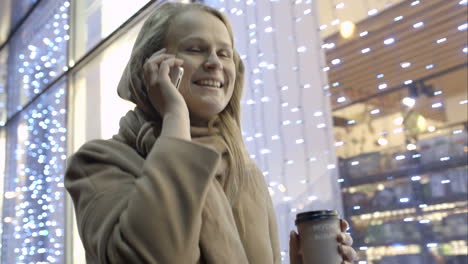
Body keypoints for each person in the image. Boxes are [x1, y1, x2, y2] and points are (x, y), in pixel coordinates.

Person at [65, 2, 357, 263]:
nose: (215, 63)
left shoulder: (245, 174)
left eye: (224, 53)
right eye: (195, 49)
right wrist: (175, 115)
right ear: (152, 67)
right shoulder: (97, 162)